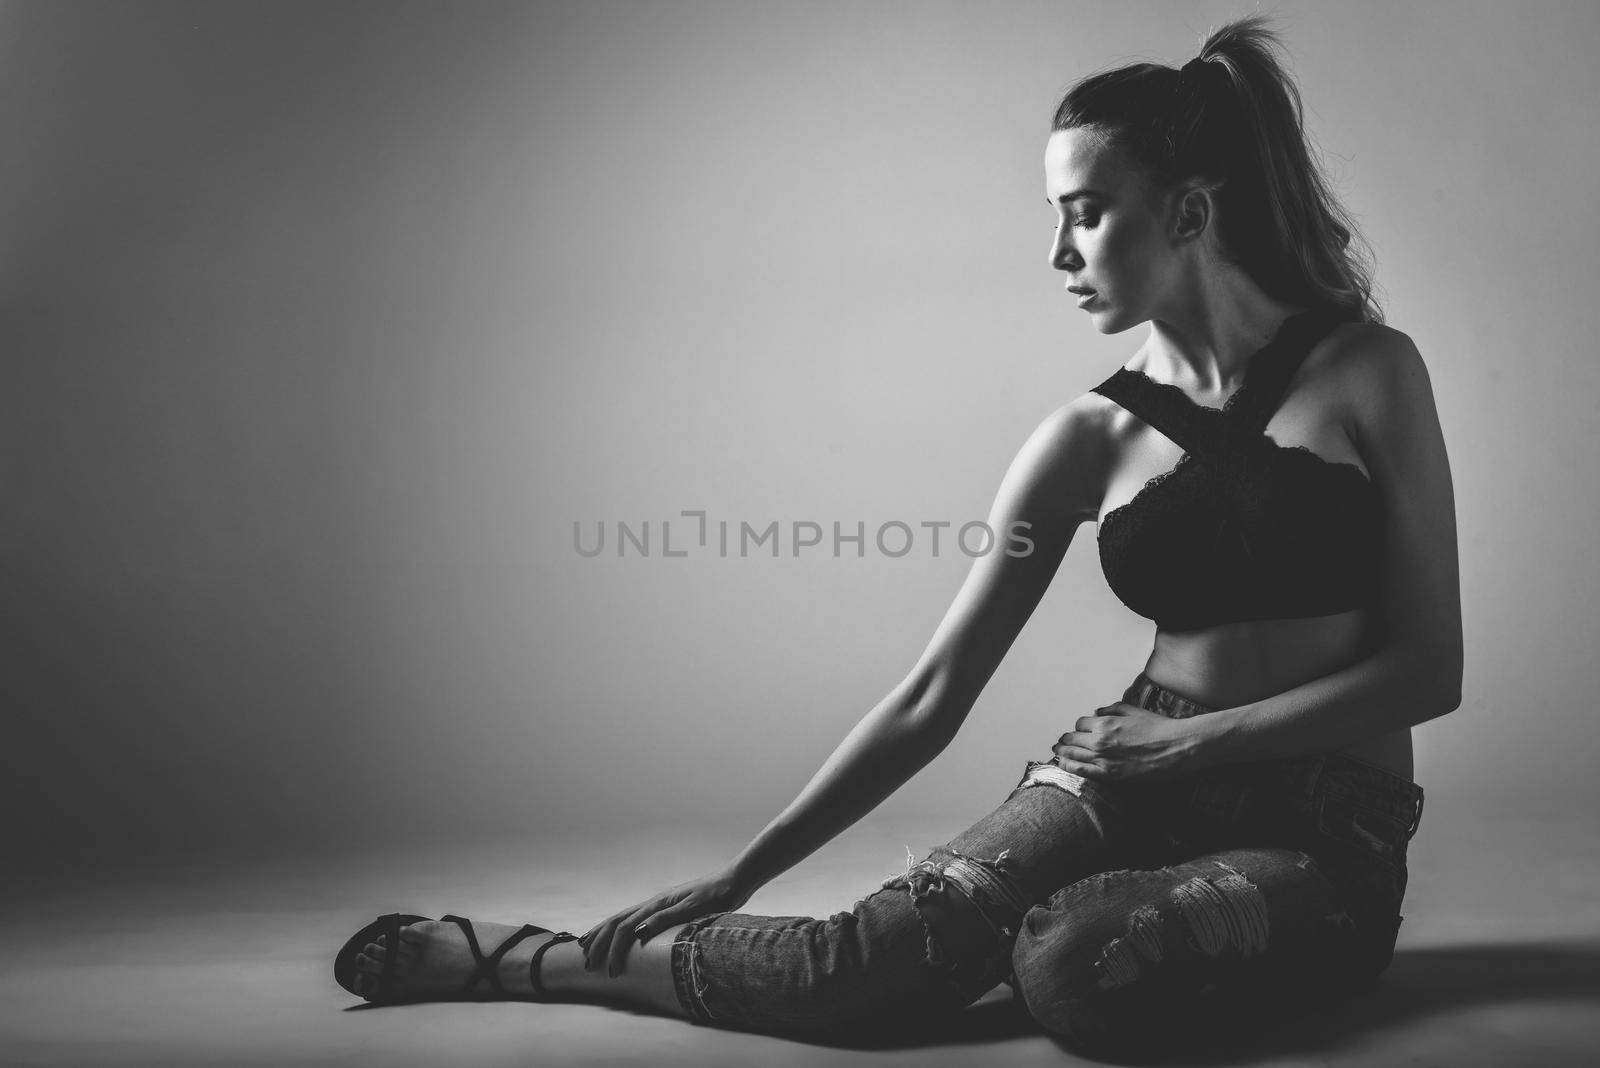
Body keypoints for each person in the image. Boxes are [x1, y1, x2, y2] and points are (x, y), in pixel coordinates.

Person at [333, 14, 1461, 1058]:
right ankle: (535, 963)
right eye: (1053, 218)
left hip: (1324, 822)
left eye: (1086, 213)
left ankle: (1061, 940)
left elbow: (1427, 669)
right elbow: (933, 693)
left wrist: (1194, 747)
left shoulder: (1367, 371)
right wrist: (746, 867)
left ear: (1187, 210)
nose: (1060, 255)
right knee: (850, 976)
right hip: (1128, 778)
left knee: (1073, 967)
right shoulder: (1082, 439)